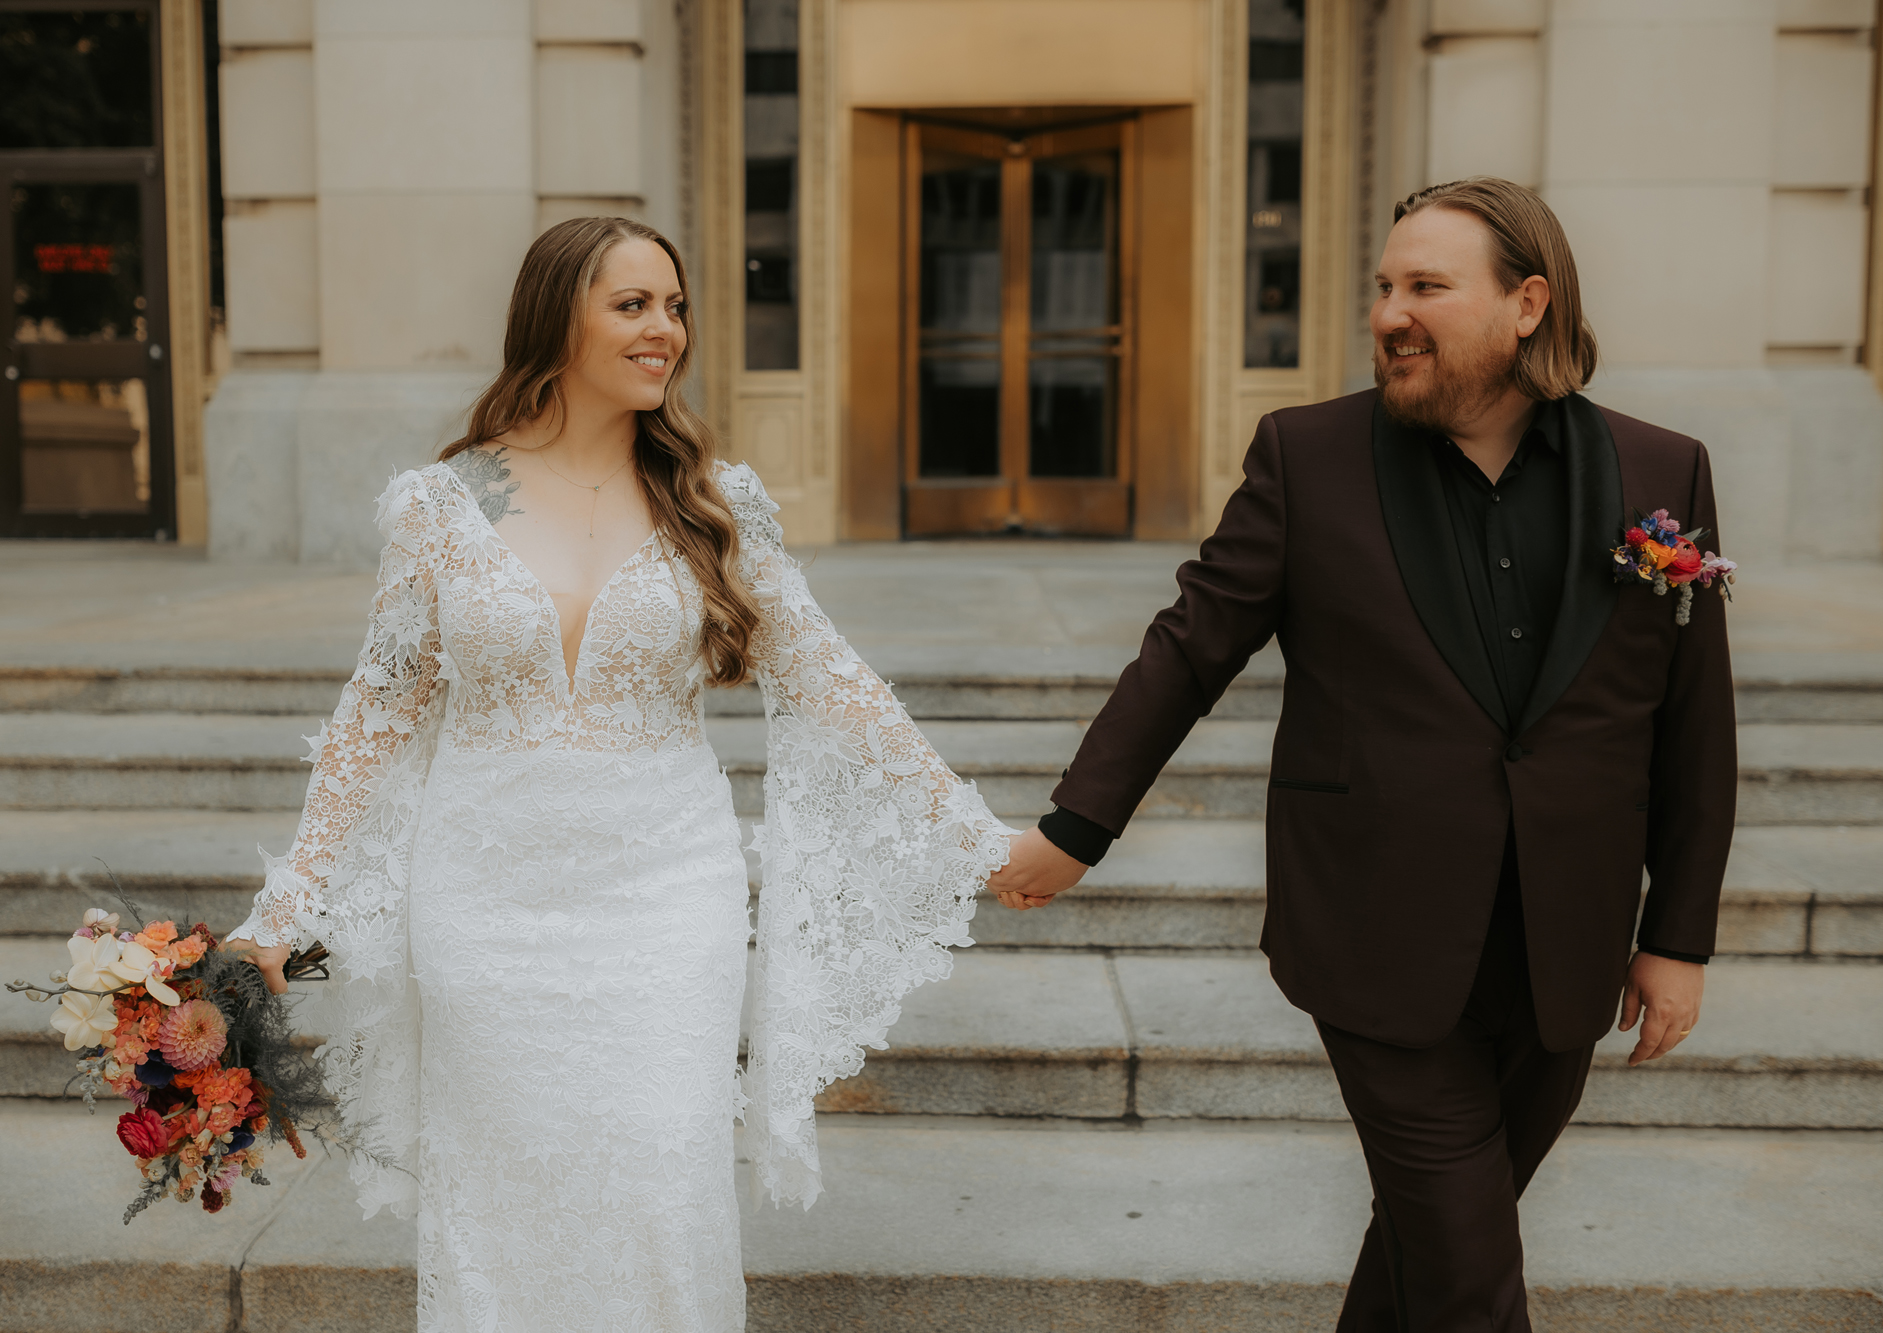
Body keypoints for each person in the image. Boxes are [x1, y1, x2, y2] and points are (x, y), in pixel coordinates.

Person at [224, 216, 1013, 1332]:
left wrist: (976, 835)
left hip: (663, 896)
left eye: (674, 306)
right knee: (498, 1194)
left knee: (659, 1179)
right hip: (484, 905)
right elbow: (379, 707)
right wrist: (288, 898)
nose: (665, 331)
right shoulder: (444, 506)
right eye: (633, 305)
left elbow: (833, 678)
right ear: (558, 317)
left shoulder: (711, 500)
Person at [988, 177, 1737, 1331]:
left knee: (1427, 1253)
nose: (1389, 312)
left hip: (1565, 948)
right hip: (1375, 932)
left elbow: (1691, 721)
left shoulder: (1660, 472)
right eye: (1383, 288)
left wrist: (1674, 934)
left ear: (1525, 302)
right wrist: (1074, 828)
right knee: (1472, 1275)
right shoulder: (1307, 457)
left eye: (1424, 288)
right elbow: (1188, 650)